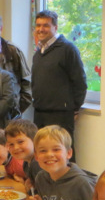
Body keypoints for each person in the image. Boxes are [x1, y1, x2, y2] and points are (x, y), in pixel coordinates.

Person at [32, 10, 87, 161]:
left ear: (55, 27)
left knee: (62, 154)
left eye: (46, 25)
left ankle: (69, 185)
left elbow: (80, 82)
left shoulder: (67, 49)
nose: (41, 29)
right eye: (38, 25)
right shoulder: (39, 53)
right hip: (40, 113)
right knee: (43, 154)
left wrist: (74, 108)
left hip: (61, 114)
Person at [5, 119, 41, 190]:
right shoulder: (26, 163)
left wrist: (29, 189)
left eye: (20, 142)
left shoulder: (37, 163)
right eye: (11, 144)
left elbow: (43, 194)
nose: (15, 148)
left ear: (35, 140)